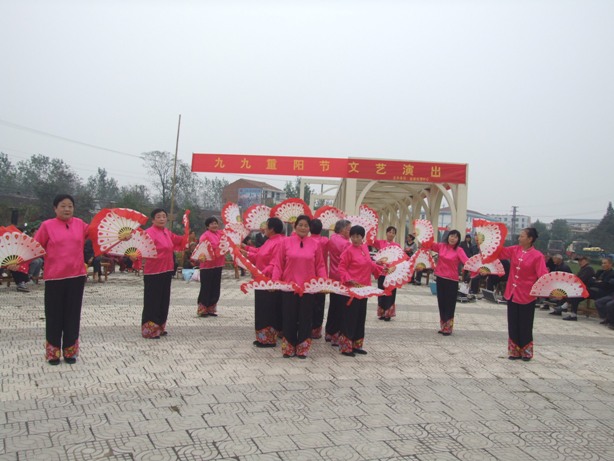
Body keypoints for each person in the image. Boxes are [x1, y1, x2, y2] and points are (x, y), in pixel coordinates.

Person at [34, 194, 89, 365]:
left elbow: (98, 236)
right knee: (54, 315)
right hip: (54, 278)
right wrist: (19, 263)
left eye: (70, 206)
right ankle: (53, 353)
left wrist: (121, 237)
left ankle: (70, 352)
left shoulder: (80, 224)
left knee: (73, 315)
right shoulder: (47, 226)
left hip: (76, 276)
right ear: (55, 208)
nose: (67, 209)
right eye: (63, 206)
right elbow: (34, 247)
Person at [271, 215, 327, 358]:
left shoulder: (315, 244)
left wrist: (323, 282)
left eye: (306, 225)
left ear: (309, 228)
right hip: (289, 287)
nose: (303, 228)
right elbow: (278, 264)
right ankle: (289, 348)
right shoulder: (285, 242)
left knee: (306, 319)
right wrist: (275, 281)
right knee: (288, 318)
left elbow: (320, 265)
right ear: (295, 226)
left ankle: (302, 348)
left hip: (308, 289)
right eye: (300, 225)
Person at [497, 227, 548, 361]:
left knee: (525, 324)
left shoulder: (537, 256)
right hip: (512, 293)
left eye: (522, 236)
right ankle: (514, 351)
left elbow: (543, 275)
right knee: (512, 323)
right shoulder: (515, 250)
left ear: (530, 239)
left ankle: (526, 352)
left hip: (527, 295)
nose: (519, 238)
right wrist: (487, 244)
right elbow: (499, 253)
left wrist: (550, 290)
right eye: (519, 236)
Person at [337, 225, 386, 357]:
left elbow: (369, 264)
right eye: (352, 236)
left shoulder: (364, 248)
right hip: (352, 290)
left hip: (364, 289)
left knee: (360, 317)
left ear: (362, 237)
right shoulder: (348, 251)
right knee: (350, 317)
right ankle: (346, 347)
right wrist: (349, 279)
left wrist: (381, 268)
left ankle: (357, 345)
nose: (355, 239)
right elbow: (341, 267)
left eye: (358, 236)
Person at [141, 208, 187, 338]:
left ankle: (160, 326)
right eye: (158, 217)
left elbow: (179, 241)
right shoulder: (148, 233)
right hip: (153, 272)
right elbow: (139, 248)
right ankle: (149, 330)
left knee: (163, 300)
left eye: (164, 216)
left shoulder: (167, 232)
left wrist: (187, 235)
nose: (162, 219)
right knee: (152, 301)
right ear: (153, 220)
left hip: (167, 270)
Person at [243, 217, 285, 347]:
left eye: (266, 226)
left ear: (272, 229)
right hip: (261, 280)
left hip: (269, 281)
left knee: (268, 310)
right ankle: (262, 337)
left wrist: (262, 273)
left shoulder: (279, 242)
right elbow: (259, 254)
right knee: (261, 309)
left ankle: (269, 339)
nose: (264, 228)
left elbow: (275, 263)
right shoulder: (269, 240)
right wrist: (245, 251)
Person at [428, 229, 469, 335]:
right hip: (440, 278)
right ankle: (443, 326)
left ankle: (448, 327)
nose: (453, 238)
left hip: (452, 281)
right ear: (448, 236)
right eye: (451, 236)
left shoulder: (459, 250)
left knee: (449, 304)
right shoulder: (441, 246)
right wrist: (420, 236)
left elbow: (467, 262)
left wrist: (478, 268)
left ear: (458, 240)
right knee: (441, 302)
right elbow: (429, 244)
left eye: (455, 237)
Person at [324, 219, 352, 344]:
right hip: (342, 278)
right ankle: (337, 335)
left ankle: (329, 332)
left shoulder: (332, 239)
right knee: (341, 308)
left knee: (333, 306)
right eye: (349, 229)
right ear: (343, 229)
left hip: (333, 276)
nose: (350, 232)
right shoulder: (346, 244)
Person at [197, 217, 226, 317]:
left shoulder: (221, 234)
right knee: (206, 287)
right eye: (212, 224)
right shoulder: (204, 236)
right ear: (207, 226)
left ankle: (211, 308)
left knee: (215, 286)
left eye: (216, 223)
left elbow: (226, 243)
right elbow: (203, 249)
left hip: (218, 264)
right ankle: (203, 308)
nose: (215, 225)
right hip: (207, 266)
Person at [373, 226, 401, 321]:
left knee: (390, 293)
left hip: (392, 273)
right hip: (382, 271)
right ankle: (381, 312)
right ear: (386, 233)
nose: (391, 234)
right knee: (381, 292)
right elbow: (371, 241)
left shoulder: (397, 246)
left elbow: (400, 258)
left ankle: (388, 313)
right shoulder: (381, 243)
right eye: (389, 232)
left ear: (395, 235)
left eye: (393, 232)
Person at [309, 218, 329, 338]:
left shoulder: (307, 241)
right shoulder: (325, 241)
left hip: (309, 277)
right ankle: (316, 331)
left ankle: (307, 327)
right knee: (319, 305)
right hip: (322, 276)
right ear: (321, 229)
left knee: (309, 304)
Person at [563, 256, 596, 321]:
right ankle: (565, 307)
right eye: (579, 261)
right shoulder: (584, 268)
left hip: (588, 290)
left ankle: (565, 307)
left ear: (586, 261)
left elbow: (581, 279)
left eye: (581, 261)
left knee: (574, 296)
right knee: (571, 293)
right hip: (583, 289)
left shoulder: (588, 268)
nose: (579, 262)